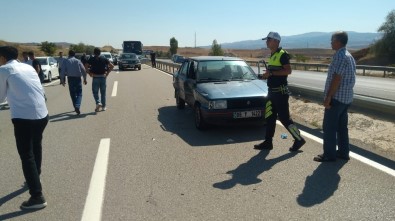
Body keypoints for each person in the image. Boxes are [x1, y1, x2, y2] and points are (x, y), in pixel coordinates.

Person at [0, 46, 49, 210]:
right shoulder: (27, 67)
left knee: (26, 155)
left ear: (3, 57)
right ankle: (36, 177)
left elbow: (0, 97)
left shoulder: (4, 69)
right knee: (36, 147)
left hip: (24, 117)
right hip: (42, 114)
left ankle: (37, 196)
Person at [254, 32, 306, 151]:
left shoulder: (282, 54)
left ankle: (299, 139)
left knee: (284, 119)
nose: (266, 42)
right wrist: (266, 75)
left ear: (276, 41)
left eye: (269, 40)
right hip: (271, 92)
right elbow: (274, 73)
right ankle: (268, 142)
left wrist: (271, 73)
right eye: (266, 40)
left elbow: (288, 71)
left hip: (280, 93)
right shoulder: (273, 55)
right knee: (269, 117)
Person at [313, 31, 356, 162]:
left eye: (332, 40)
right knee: (342, 128)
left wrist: (328, 96)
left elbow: (337, 78)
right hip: (346, 99)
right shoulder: (349, 56)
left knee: (329, 127)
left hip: (337, 99)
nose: (331, 43)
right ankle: (343, 152)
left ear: (338, 41)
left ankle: (329, 155)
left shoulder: (340, 56)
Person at [85, 47, 114, 112]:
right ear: (100, 52)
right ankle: (103, 106)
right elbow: (112, 66)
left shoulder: (92, 59)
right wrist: (107, 74)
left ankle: (98, 103)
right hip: (103, 77)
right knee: (103, 92)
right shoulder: (104, 58)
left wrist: (89, 73)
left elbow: (86, 66)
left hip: (95, 77)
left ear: (94, 53)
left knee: (95, 92)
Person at [60, 50, 87, 115]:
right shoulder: (78, 61)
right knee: (79, 93)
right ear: (74, 55)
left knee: (72, 94)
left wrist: (62, 80)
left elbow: (62, 71)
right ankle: (77, 106)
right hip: (78, 79)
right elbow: (83, 70)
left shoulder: (65, 61)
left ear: (69, 54)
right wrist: (85, 79)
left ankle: (75, 106)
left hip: (70, 79)